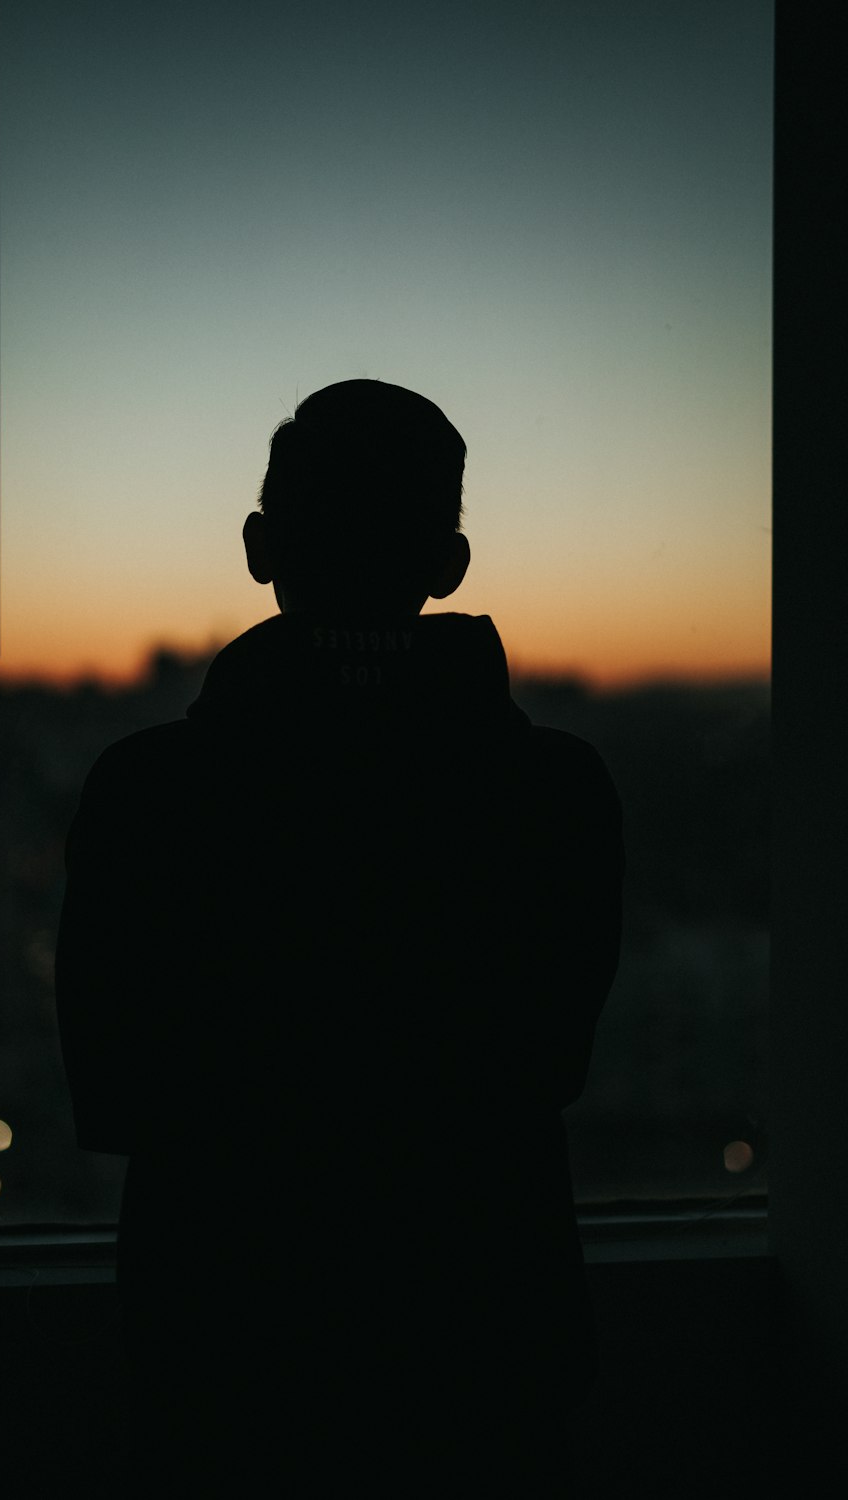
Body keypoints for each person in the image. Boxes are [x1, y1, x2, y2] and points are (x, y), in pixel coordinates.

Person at [55, 378, 623, 1496]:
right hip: (480, 1330)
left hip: (222, 1334)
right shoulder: (552, 793)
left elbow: (117, 1087)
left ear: (262, 546)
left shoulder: (150, 794)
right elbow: (546, 1063)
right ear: (449, 565)